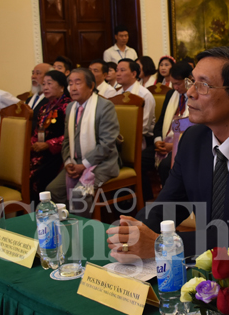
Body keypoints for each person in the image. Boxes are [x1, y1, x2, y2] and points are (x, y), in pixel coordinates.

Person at [105, 46, 229, 259]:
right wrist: (136, 230)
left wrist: (163, 245)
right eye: (191, 82)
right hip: (204, 261)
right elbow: (169, 204)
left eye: (203, 85)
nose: (189, 92)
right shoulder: (193, 139)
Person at [45, 69, 120, 215]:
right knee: (52, 191)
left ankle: (82, 228)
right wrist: (68, 162)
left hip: (101, 163)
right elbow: (67, 140)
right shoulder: (70, 108)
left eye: (78, 83)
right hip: (75, 162)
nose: (73, 88)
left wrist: (84, 165)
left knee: (79, 195)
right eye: (70, 84)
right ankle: (65, 223)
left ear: (91, 86)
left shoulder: (104, 106)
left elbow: (107, 144)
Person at [29, 70, 71, 203]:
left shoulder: (68, 106)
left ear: (62, 87)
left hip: (59, 153)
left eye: (49, 83)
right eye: (44, 84)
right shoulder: (44, 108)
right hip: (41, 152)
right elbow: (37, 132)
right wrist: (32, 144)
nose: (45, 87)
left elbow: (71, 135)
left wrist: (48, 144)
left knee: (39, 176)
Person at [149, 61, 193, 185]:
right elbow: (160, 122)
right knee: (142, 158)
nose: (175, 87)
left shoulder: (196, 97)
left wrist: (174, 146)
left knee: (165, 166)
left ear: (189, 80)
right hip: (165, 141)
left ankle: (169, 195)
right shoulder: (171, 94)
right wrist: (158, 141)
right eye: (173, 83)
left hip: (184, 145)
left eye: (178, 84)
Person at [116, 59, 156, 149]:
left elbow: (144, 127)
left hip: (140, 140)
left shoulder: (144, 95)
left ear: (134, 74)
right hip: (118, 139)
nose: (118, 74)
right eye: (117, 70)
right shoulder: (116, 94)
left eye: (122, 70)